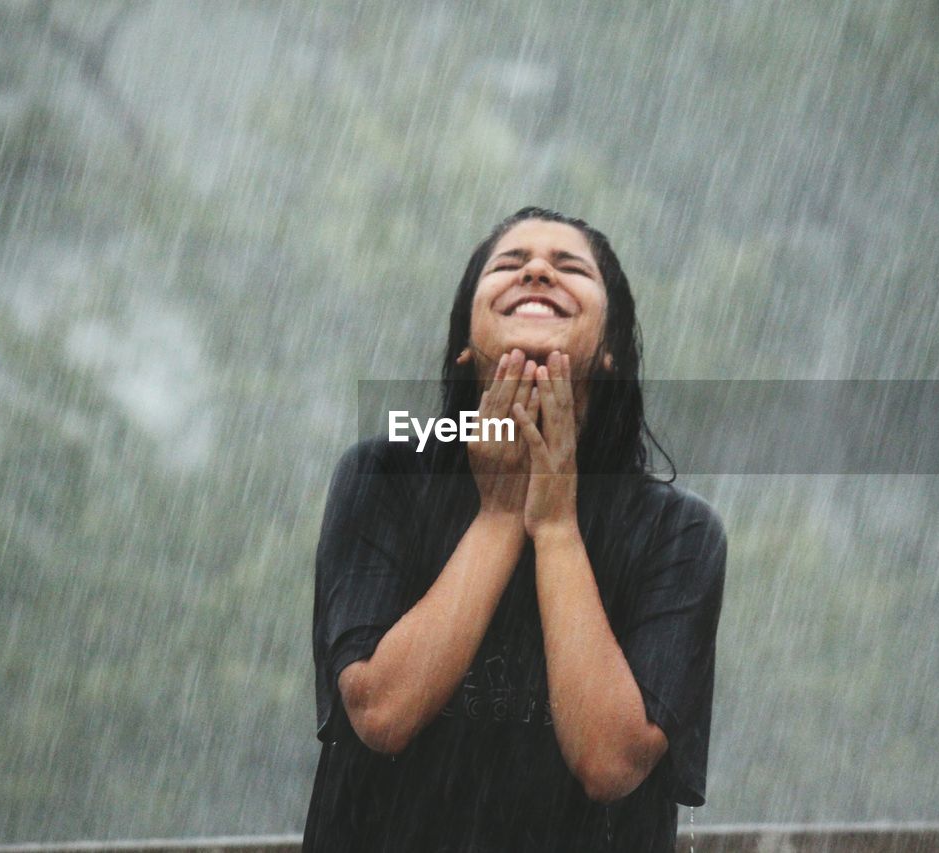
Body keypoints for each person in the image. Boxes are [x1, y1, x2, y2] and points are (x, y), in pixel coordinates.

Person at [303, 207, 727, 852]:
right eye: (509, 263)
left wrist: (556, 526)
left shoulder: (677, 531)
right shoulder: (383, 473)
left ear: (611, 349)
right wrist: (499, 515)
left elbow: (610, 762)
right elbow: (383, 713)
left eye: (569, 267)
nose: (535, 270)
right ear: (464, 344)